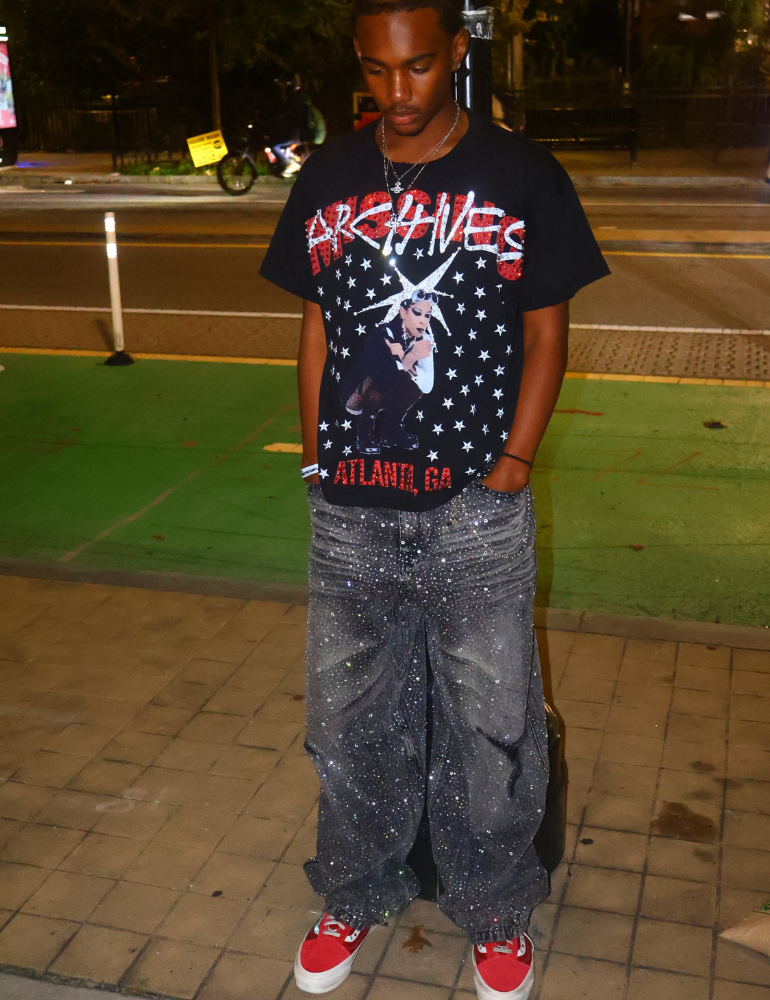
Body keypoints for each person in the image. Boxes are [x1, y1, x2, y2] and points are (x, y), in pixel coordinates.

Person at [260, 1, 609, 996]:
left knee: (491, 721)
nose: (395, 91)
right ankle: (354, 887)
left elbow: (546, 329)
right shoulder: (329, 175)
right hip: (352, 504)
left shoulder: (521, 173)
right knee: (349, 717)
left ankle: (494, 907)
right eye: (375, 69)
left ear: (455, 52)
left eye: (416, 67)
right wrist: (316, 457)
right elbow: (318, 326)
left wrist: (514, 459)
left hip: (473, 506)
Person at [342, 288, 436, 453]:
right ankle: (365, 432)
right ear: (403, 312)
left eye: (427, 315)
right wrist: (410, 358)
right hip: (358, 394)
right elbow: (382, 380)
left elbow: (427, 385)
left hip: (389, 387)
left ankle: (391, 431)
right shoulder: (382, 334)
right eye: (417, 313)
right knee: (378, 382)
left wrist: (408, 358)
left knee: (415, 387)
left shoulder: (424, 340)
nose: (423, 321)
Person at [269, 72, 323, 178]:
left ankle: (288, 163)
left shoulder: (294, 99)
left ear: (289, 84)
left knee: (273, 144)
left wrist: (272, 119)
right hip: (298, 133)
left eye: (284, 84)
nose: (282, 87)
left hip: (295, 134)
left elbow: (283, 114)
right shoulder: (300, 98)